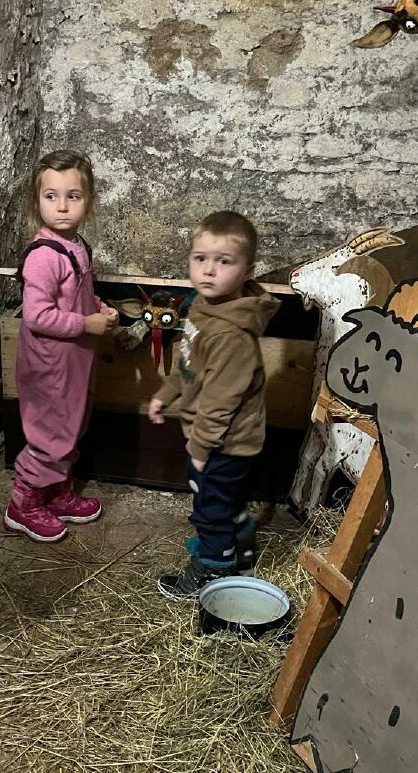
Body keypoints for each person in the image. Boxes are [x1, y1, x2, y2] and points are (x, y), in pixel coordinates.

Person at [148, 211, 279, 598]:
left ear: (247, 271)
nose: (208, 270)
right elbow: (189, 363)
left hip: (226, 440)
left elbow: (222, 400)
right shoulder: (203, 307)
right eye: (200, 258)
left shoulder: (231, 335)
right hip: (210, 433)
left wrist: (201, 447)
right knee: (221, 499)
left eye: (224, 261)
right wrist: (166, 393)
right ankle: (239, 536)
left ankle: (214, 567)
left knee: (208, 508)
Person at [5, 150, 119, 543]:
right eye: (51, 196)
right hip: (50, 364)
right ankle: (23, 503)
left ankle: (55, 492)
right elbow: (37, 316)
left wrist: (99, 308)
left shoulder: (76, 244)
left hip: (76, 359)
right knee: (50, 432)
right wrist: (86, 323)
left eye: (73, 196)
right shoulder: (43, 256)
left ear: (88, 201)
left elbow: (75, 297)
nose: (63, 206)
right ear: (36, 202)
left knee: (71, 426)